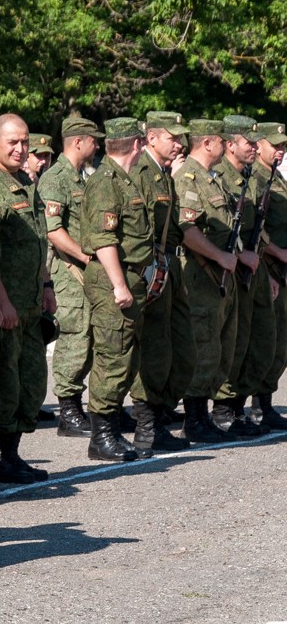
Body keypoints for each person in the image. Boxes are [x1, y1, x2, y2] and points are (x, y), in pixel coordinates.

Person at [0, 113, 56, 484]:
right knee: (4, 380)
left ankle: (12, 454)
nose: (21, 149)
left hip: (30, 300)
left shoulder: (27, 181)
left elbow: (38, 238)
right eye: (13, 142)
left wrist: (46, 286)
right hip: (4, 302)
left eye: (24, 142)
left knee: (31, 379)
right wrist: (1, 299)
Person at [79, 118, 154, 461]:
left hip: (129, 278)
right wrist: (120, 285)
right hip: (114, 279)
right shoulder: (106, 182)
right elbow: (104, 240)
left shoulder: (124, 180)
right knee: (112, 357)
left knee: (125, 357)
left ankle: (109, 428)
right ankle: (101, 436)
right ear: (137, 144)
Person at [127, 111, 194, 451]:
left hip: (168, 266)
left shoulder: (164, 174)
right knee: (153, 348)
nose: (179, 143)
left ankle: (161, 413)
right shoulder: (140, 172)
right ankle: (146, 424)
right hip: (149, 269)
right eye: (173, 137)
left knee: (177, 348)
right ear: (152, 138)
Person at [174, 119, 241, 443]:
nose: (226, 147)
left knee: (217, 347)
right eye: (221, 141)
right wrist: (219, 256)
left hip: (218, 279)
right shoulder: (188, 177)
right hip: (200, 276)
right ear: (208, 143)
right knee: (202, 347)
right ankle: (194, 418)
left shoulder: (211, 179)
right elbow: (187, 230)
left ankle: (203, 415)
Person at [40, 117, 103, 438]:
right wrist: (85, 256)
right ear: (78, 141)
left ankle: (76, 405)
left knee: (88, 337)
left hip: (84, 270)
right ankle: (68, 409)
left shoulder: (81, 178)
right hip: (67, 271)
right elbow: (53, 231)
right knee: (75, 335)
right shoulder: (56, 179)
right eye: (94, 139)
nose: (98, 145)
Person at [210, 115, 267, 436]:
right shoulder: (218, 176)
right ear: (230, 144)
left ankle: (233, 407)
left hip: (245, 268)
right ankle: (221, 409)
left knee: (242, 339)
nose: (254, 148)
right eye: (249, 142)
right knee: (222, 341)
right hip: (223, 268)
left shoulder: (251, 176)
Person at [253, 122, 287, 429]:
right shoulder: (256, 178)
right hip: (267, 267)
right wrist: (277, 254)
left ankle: (264, 401)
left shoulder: (275, 177)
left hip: (279, 269)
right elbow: (255, 229)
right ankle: (254, 405)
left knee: (280, 342)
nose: (281, 150)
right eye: (275, 144)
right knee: (266, 339)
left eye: (283, 145)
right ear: (259, 144)